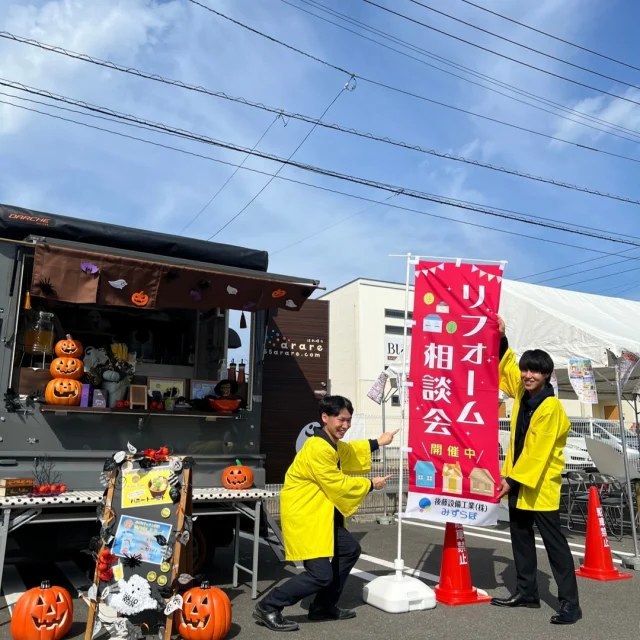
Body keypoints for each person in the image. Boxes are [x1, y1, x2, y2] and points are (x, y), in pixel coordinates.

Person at [253, 395, 396, 631]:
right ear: (325, 418)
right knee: (320, 575)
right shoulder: (317, 447)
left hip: (323, 513)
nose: (346, 426)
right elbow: (337, 483)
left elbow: (349, 452)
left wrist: (378, 442)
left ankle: (323, 606)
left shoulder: (332, 444)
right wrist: (370, 484)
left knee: (350, 549)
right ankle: (269, 605)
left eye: (349, 420)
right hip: (307, 515)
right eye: (341, 420)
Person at [491, 316, 581, 625]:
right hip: (519, 483)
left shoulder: (551, 407)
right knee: (520, 538)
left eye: (536, 371)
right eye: (527, 370)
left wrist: (510, 480)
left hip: (540, 484)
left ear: (547, 375)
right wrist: (502, 338)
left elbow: (537, 452)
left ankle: (570, 603)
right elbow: (507, 368)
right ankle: (527, 592)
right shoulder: (521, 394)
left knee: (555, 545)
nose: (528, 375)